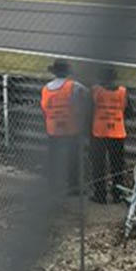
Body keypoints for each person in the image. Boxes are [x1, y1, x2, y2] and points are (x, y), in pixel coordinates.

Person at [41, 59, 85, 194]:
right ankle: (73, 187)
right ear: (67, 72)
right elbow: (86, 98)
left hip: (53, 128)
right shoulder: (74, 86)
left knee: (53, 157)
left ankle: (52, 186)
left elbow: (44, 108)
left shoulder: (46, 88)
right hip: (70, 127)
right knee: (73, 158)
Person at [89, 67, 132, 203]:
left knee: (98, 165)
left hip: (98, 132)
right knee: (117, 165)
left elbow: (88, 111)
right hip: (117, 132)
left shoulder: (95, 91)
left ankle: (100, 195)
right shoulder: (122, 92)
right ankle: (117, 194)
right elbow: (129, 112)